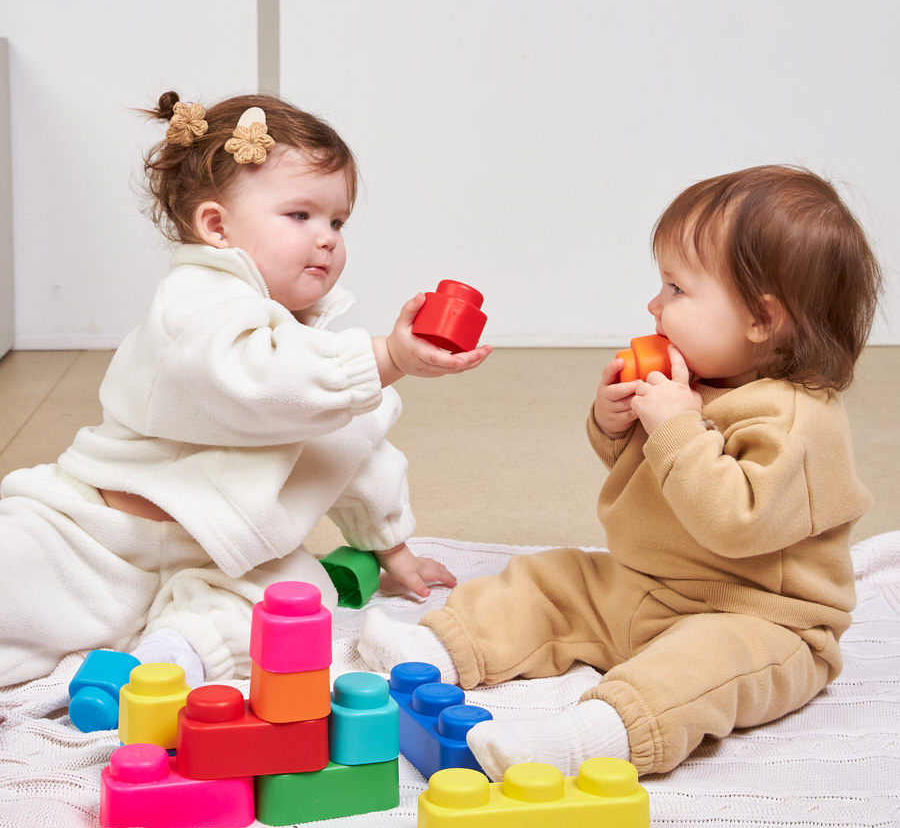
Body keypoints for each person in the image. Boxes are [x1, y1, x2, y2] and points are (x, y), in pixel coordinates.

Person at [359, 165, 881, 778]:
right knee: (556, 578)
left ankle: (595, 734)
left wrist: (676, 427)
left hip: (759, 618)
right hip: (649, 586)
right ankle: (437, 648)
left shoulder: (796, 420)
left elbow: (735, 522)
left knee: (701, 667)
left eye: (677, 289)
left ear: (762, 320)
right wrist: (617, 425)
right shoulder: (697, 380)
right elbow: (653, 479)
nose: (654, 304)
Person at [0, 92, 490, 689]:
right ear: (216, 226)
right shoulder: (195, 310)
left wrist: (391, 548)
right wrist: (385, 358)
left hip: (222, 554)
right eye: (300, 215)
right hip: (96, 533)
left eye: (337, 221)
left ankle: (175, 654)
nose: (328, 238)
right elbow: (259, 381)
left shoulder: (310, 349)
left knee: (301, 596)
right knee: (16, 569)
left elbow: (353, 449)